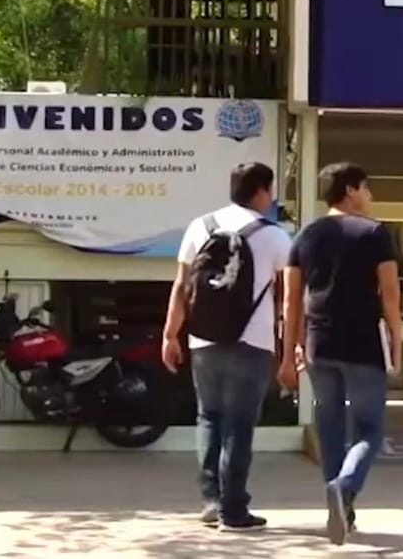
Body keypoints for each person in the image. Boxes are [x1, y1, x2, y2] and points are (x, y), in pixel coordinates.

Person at [161, 161, 292, 531]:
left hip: (202, 338)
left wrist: (170, 334)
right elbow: (288, 299)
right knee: (239, 424)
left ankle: (211, 500)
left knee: (209, 417)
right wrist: (290, 346)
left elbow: (181, 286)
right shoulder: (274, 236)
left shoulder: (200, 227)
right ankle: (234, 510)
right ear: (262, 192)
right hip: (253, 342)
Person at [278, 161, 402, 546]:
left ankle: (340, 506)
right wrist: (397, 339)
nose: (369, 196)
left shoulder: (305, 236)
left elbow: (290, 299)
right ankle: (345, 486)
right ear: (350, 190)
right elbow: (391, 293)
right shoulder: (375, 233)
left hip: (319, 343)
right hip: (362, 342)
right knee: (369, 427)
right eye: (366, 188)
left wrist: (289, 352)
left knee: (329, 427)